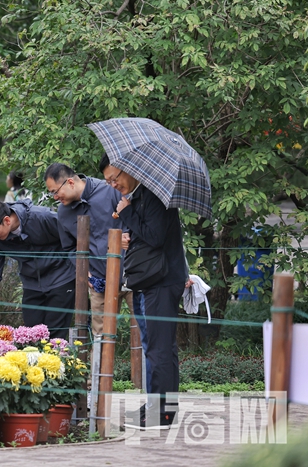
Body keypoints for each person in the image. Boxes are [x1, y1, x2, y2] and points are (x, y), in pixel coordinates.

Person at [100, 153, 188, 429]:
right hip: (156, 280)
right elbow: (147, 233)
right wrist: (128, 235)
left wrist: (126, 212)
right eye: (108, 181)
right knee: (161, 347)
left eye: (115, 178)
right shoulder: (140, 196)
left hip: (161, 281)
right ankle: (160, 408)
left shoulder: (153, 195)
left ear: (130, 171)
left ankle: (161, 414)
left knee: (159, 349)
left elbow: (156, 236)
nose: (113, 184)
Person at [0, 199, 76, 339]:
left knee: (55, 335)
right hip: (31, 284)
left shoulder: (41, 217)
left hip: (61, 278)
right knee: (30, 336)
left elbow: (74, 237)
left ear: (7, 220)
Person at [43, 162, 122, 338]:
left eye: (55, 191)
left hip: (130, 275)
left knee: (141, 330)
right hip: (98, 281)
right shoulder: (63, 212)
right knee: (101, 336)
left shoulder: (110, 191)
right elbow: (70, 247)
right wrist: (85, 272)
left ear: (70, 182)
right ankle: (98, 367)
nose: (55, 197)